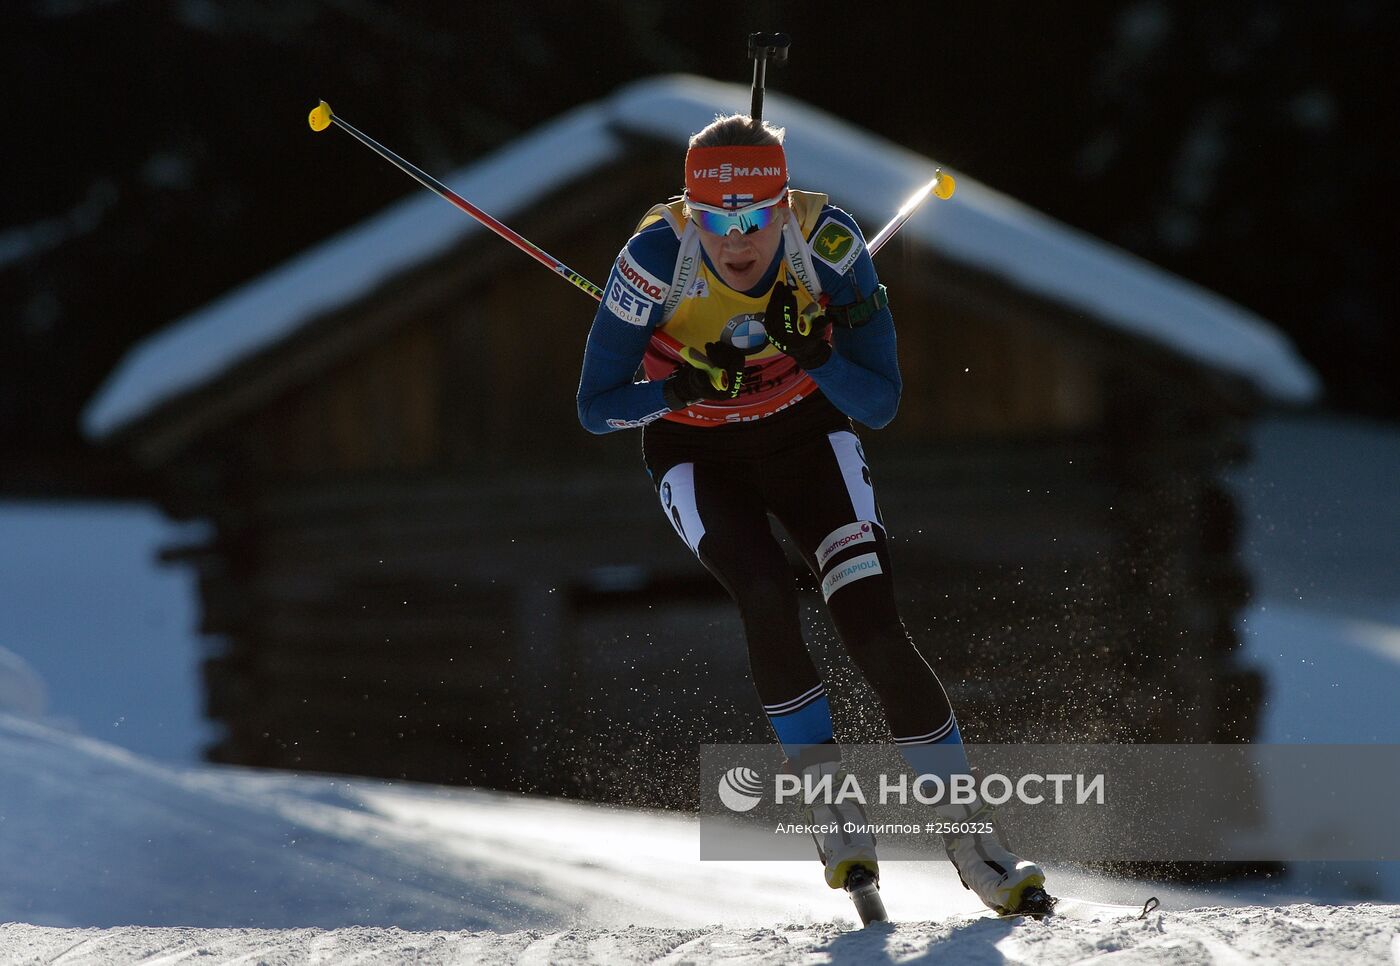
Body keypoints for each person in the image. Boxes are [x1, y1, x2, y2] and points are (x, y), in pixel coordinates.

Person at [576, 113, 1049, 915]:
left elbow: (883, 401)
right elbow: (595, 407)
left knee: (868, 620)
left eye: (754, 219)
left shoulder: (828, 248)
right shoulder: (655, 259)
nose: (736, 241)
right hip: (698, 454)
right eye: (715, 220)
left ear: (782, 205)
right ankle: (831, 806)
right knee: (763, 591)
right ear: (691, 213)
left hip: (808, 440)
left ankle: (975, 841)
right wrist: (677, 390)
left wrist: (817, 354)